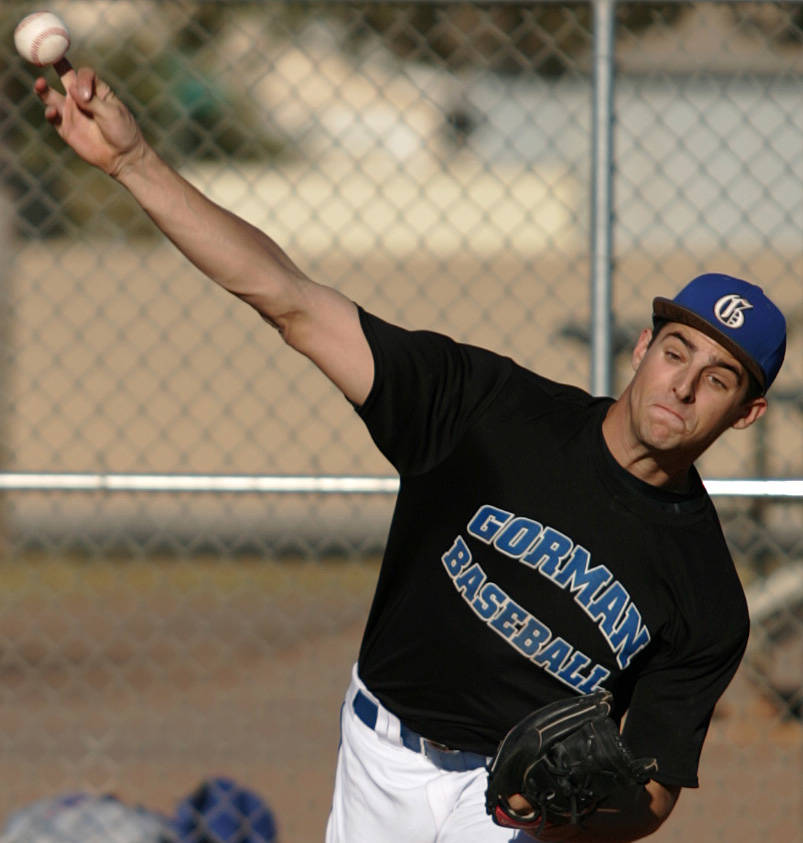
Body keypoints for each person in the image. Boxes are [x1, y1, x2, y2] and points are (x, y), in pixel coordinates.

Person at [32, 64, 787, 843]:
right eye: (676, 350)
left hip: (509, 814)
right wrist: (133, 163)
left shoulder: (706, 597)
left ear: (745, 412)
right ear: (641, 346)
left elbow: (654, 794)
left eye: (718, 376)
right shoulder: (487, 409)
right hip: (378, 753)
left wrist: (570, 811)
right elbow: (291, 300)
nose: (684, 384)